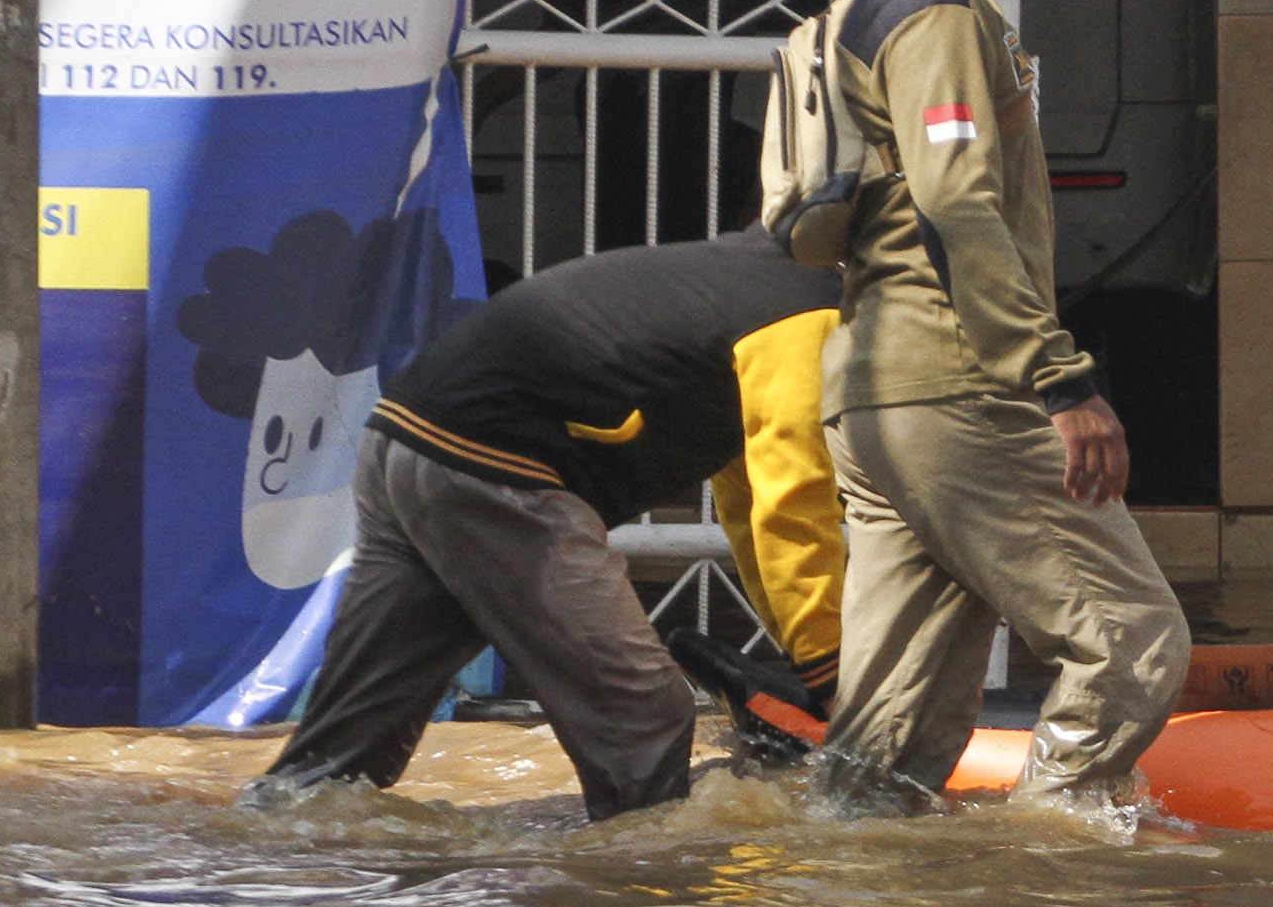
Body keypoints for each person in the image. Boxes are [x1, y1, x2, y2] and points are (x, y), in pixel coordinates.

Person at [813, 0, 1188, 818]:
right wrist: (1060, 383)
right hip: (961, 386)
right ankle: (1046, 861)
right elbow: (958, 205)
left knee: (883, 749)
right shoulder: (936, 11)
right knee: (1132, 639)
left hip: (880, 397)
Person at [247, 233, 844, 820]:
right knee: (640, 708)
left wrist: (806, 658)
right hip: (492, 467)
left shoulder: (753, 278)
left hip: (406, 440)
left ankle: (265, 860)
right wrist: (830, 673)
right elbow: (794, 502)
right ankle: (636, 893)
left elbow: (749, 509)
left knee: (344, 749)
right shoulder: (809, 311)